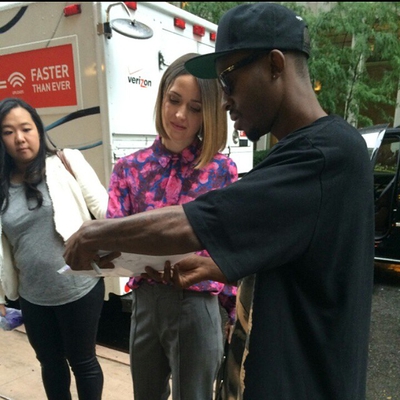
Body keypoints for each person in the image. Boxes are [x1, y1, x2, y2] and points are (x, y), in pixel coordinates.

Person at [63, 3, 375, 399]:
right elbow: (297, 265)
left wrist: (95, 232)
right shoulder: (307, 154)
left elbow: (193, 222)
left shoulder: (322, 156)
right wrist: (213, 267)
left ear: (275, 66)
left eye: (229, 81)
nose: (224, 101)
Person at [106, 52, 238, 400]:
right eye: (173, 100)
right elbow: (113, 233)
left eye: (195, 108)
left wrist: (231, 311)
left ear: (208, 114)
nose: (180, 115)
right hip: (145, 301)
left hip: (197, 306)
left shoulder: (221, 171)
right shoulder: (129, 169)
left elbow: (230, 246)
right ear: (161, 97)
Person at [0, 97, 108, 400]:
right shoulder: (2, 186)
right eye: (8, 132)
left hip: (80, 287)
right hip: (33, 296)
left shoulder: (66, 161)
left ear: (38, 128)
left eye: (26, 128)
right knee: (50, 364)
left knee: (83, 362)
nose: (20, 138)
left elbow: (104, 210)